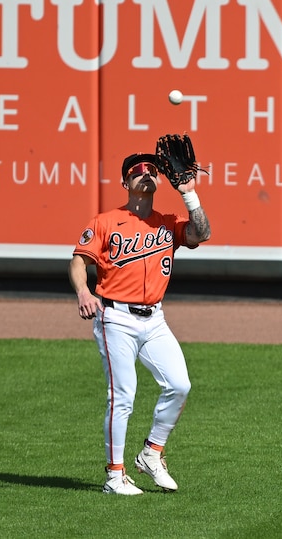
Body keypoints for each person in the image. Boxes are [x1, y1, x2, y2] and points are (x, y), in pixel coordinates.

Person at [69, 151, 212, 495]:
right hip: (115, 317)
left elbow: (201, 233)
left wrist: (189, 193)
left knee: (179, 385)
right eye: (138, 171)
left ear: (159, 180)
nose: (146, 173)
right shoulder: (104, 221)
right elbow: (78, 260)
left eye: (152, 170)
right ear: (125, 182)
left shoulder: (168, 221)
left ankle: (152, 453)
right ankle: (114, 476)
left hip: (155, 319)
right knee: (123, 397)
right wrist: (83, 292)